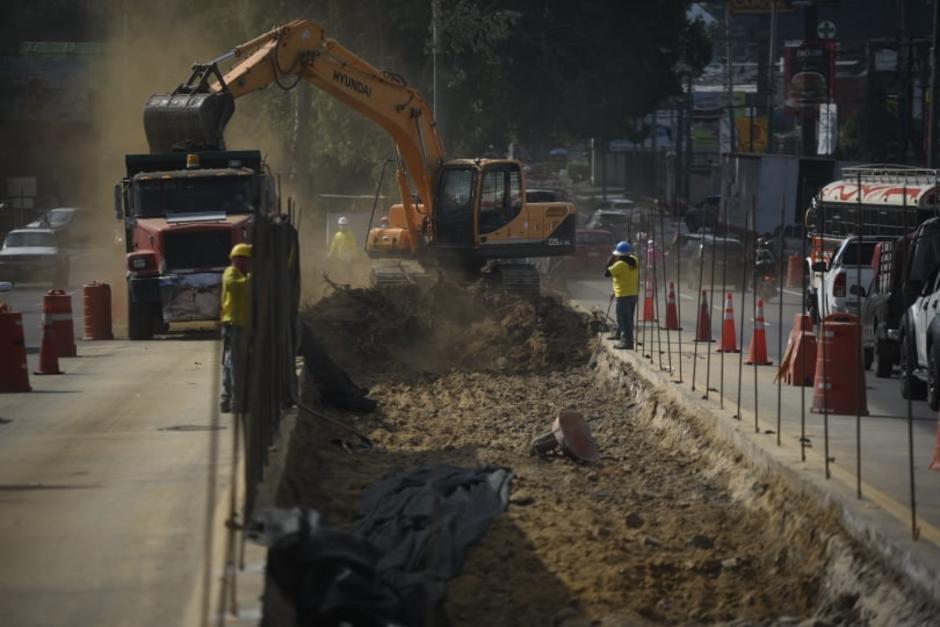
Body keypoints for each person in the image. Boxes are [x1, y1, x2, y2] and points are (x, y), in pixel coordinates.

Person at [220, 242, 252, 413]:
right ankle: (235, 402)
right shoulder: (231, 273)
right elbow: (237, 286)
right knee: (235, 365)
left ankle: (227, 400)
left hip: (241, 325)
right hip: (234, 325)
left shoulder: (243, 275)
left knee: (231, 364)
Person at [605, 240, 640, 350]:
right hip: (633, 294)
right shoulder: (634, 261)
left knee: (624, 320)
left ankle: (627, 342)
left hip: (623, 295)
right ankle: (618, 334)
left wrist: (611, 259)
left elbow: (606, 273)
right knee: (626, 318)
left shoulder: (619, 265)